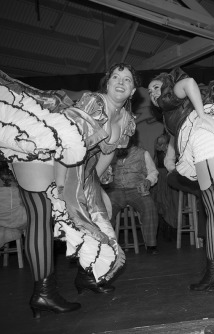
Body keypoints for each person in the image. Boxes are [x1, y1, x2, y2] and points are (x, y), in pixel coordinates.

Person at [0, 62, 139, 317]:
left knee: (100, 212)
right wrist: (62, 187)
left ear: (132, 91)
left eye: (127, 79)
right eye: (116, 77)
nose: (121, 81)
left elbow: (102, 160)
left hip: (72, 163)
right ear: (106, 84)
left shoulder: (126, 120)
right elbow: (69, 140)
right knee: (41, 216)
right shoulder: (94, 103)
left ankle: (86, 276)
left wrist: (90, 195)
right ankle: (43, 292)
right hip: (45, 151)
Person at [148, 69, 214, 291]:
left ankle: (213, 270)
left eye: (156, 87)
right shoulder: (172, 109)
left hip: (206, 140)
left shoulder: (171, 94)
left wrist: (202, 115)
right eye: (150, 91)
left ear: (167, 85)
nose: (153, 93)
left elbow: (188, 82)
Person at [106, 131, 160, 254]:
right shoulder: (111, 154)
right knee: (105, 209)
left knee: (149, 206)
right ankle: (106, 245)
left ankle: (151, 245)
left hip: (136, 189)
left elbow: (153, 172)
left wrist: (148, 180)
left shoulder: (143, 153)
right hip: (116, 190)